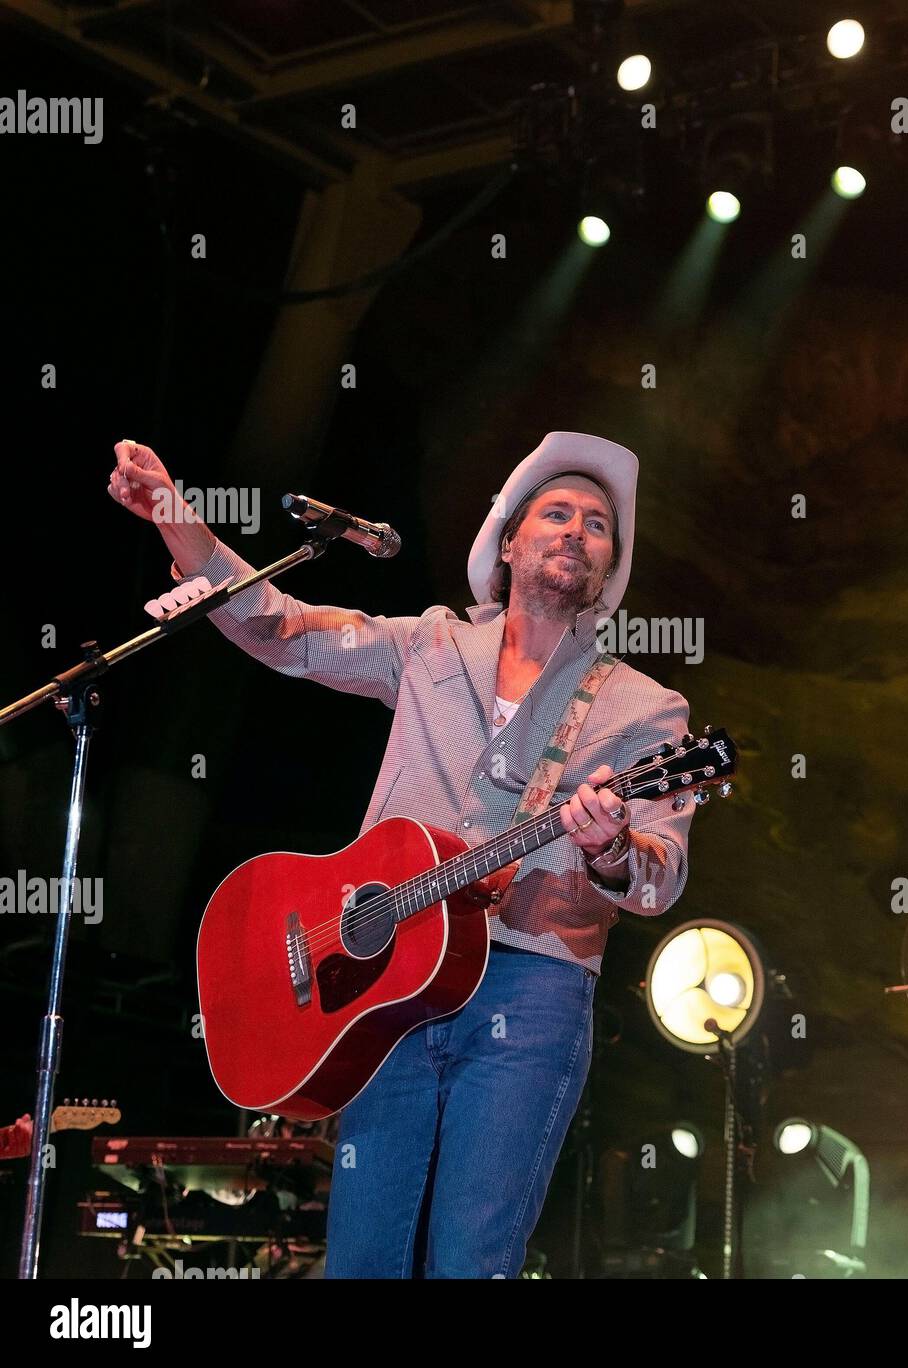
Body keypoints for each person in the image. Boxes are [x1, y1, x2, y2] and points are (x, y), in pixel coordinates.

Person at [107, 431, 695, 1277]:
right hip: (387, 982)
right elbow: (283, 627)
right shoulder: (431, 644)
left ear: (608, 568)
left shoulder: (646, 706)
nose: (576, 531)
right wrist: (173, 514)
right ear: (508, 542)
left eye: (597, 525)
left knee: (471, 1257)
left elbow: (660, 873)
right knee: (361, 1259)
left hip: (532, 987)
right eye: (557, 513)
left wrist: (610, 850)